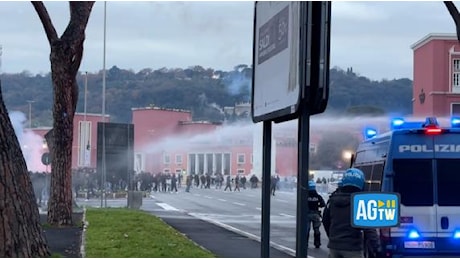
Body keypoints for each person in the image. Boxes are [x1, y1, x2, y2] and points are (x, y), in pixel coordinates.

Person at [322, 168, 381, 258]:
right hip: (353, 248)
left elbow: (325, 220)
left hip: (334, 246)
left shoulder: (332, 200)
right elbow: (369, 228)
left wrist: (332, 237)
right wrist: (377, 247)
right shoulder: (359, 203)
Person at [307, 180, 326, 248]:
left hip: (307, 214)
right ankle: (317, 243)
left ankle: (305, 243)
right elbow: (323, 204)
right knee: (316, 229)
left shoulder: (306, 196)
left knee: (307, 229)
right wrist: (318, 205)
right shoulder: (318, 196)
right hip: (316, 214)